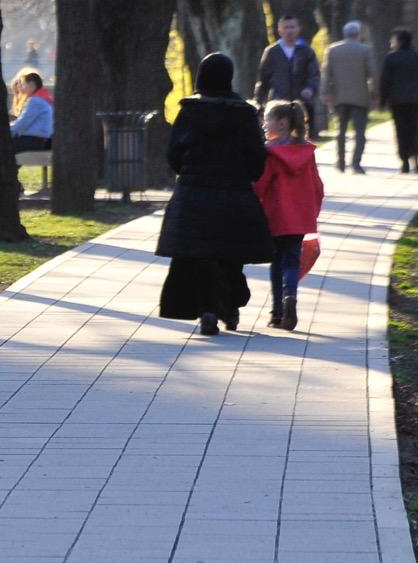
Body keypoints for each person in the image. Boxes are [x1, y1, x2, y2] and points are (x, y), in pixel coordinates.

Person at [157, 53, 275, 335]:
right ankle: (229, 307)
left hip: (193, 195)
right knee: (229, 256)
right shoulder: (244, 115)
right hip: (233, 195)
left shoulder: (189, 112)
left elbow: (174, 153)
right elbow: (256, 159)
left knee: (198, 257)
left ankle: (206, 308)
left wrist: (186, 173)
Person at [253, 101, 324, 331]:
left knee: (276, 263)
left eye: (267, 119)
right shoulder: (306, 152)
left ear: (281, 124)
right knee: (292, 261)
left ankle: (277, 313)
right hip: (299, 218)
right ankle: (290, 297)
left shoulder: (270, 153)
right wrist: (312, 211)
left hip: (275, 215)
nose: (264, 124)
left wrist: (253, 201)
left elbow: (261, 184)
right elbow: (317, 186)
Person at [255, 15, 321, 139]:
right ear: (280, 30)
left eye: (292, 27)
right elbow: (263, 79)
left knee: (301, 137)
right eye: (286, 27)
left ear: (298, 29)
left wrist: (310, 88)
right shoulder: (272, 52)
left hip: (302, 104)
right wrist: (259, 101)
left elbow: (314, 74)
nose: (289, 31)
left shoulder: (306, 51)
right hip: (278, 102)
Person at [379, 28, 418, 173]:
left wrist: (382, 100)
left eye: (394, 39)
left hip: (397, 101)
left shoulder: (391, 58)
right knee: (414, 129)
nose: (391, 42)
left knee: (400, 130)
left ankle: (404, 161)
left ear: (400, 41)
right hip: (415, 99)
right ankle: (415, 159)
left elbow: (385, 81)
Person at [323, 20, 375, 173]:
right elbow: (373, 74)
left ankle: (340, 162)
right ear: (359, 34)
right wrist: (375, 94)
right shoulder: (366, 50)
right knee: (360, 131)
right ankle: (356, 163)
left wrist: (325, 92)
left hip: (339, 96)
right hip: (360, 95)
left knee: (341, 130)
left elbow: (326, 73)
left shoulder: (333, 50)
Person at [9, 68, 53, 151]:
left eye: (22, 84)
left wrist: (5, 129)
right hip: (44, 140)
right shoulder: (44, 99)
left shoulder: (35, 101)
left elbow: (22, 123)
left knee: (0, 145)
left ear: (32, 85)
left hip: (34, 141)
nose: (19, 87)